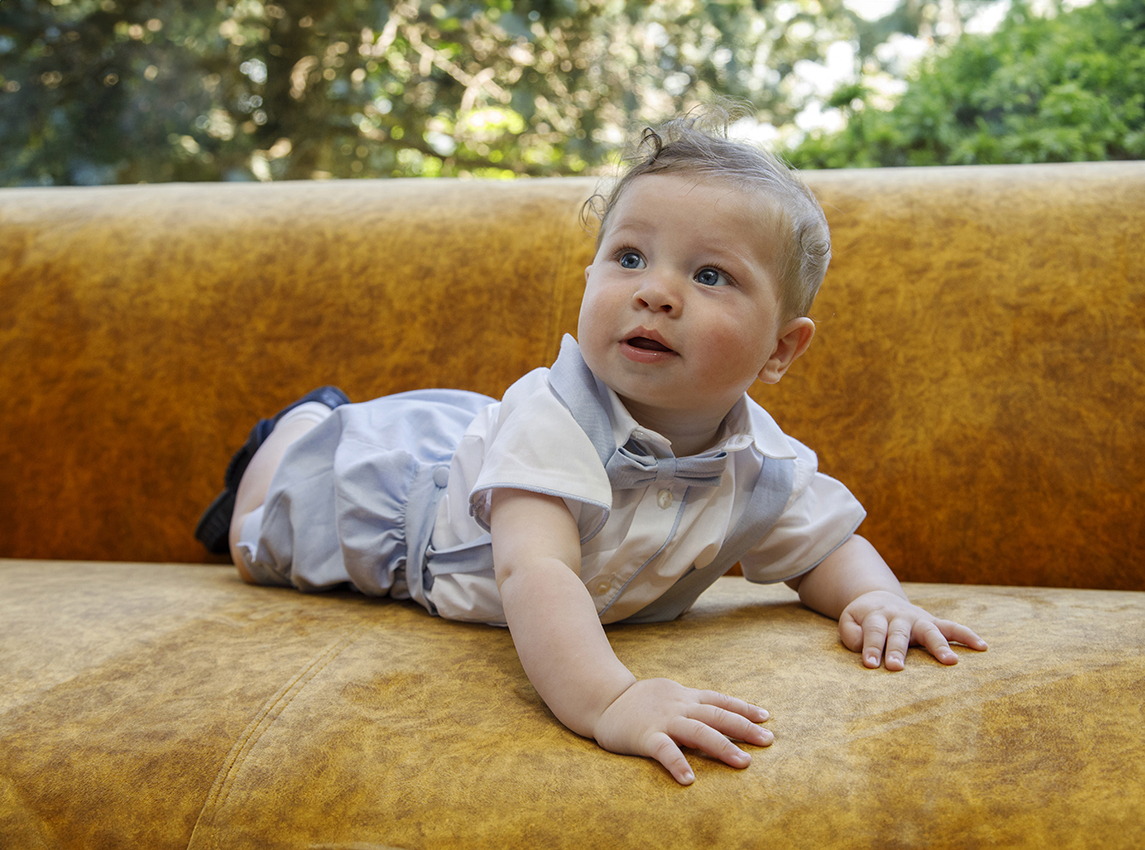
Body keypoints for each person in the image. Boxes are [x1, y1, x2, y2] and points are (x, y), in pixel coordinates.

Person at [195, 110, 987, 786]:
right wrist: (610, 698)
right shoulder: (553, 415)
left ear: (780, 350)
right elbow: (533, 569)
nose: (655, 290)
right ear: (591, 276)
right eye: (630, 257)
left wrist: (874, 598)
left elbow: (823, 546)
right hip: (380, 487)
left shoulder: (759, 463)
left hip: (469, 443)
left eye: (711, 275)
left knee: (471, 436)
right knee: (253, 532)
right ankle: (301, 423)